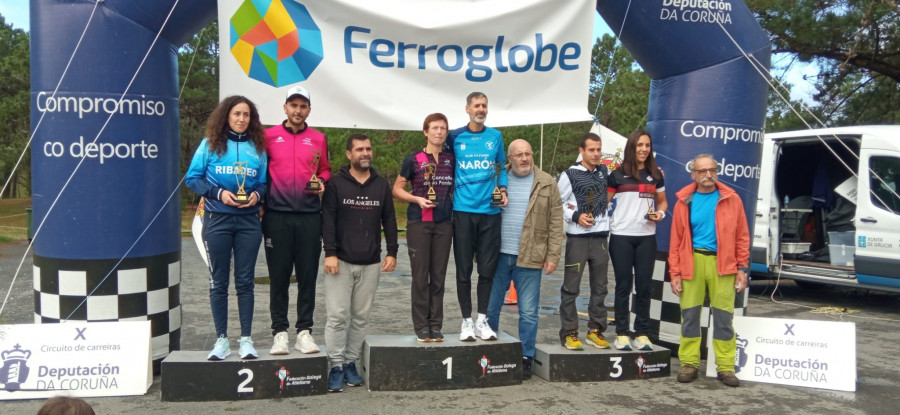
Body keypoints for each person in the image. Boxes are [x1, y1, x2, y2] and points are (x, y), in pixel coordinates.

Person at [185, 95, 267, 360]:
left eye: (246, 115)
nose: (242, 119)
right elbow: (192, 179)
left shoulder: (258, 148)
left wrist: (257, 195)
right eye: (236, 114)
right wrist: (218, 193)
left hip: (248, 222)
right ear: (226, 117)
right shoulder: (210, 145)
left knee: (245, 282)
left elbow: (263, 183)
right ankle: (221, 340)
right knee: (218, 281)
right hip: (217, 219)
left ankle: (246, 340)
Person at [322, 134, 399, 392]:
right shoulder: (335, 184)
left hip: (370, 263)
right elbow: (328, 220)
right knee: (337, 317)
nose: (365, 153)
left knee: (361, 318)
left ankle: (350, 362)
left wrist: (392, 252)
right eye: (359, 149)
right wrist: (329, 252)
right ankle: (334, 365)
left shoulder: (381, 185)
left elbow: (389, 219)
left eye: (368, 149)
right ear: (348, 154)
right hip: (340, 262)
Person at [669, 154, 749, 387]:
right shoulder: (685, 201)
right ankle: (689, 364)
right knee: (690, 317)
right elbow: (676, 241)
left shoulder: (732, 199)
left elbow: (742, 237)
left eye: (712, 170)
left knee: (724, 319)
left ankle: (725, 367)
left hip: (723, 265)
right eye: (702, 171)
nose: (708, 175)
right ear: (693, 174)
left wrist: (742, 268)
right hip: (691, 263)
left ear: (716, 171)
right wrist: (675, 273)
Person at [485, 139, 563, 380]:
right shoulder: (496, 178)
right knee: (490, 308)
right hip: (497, 254)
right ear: (509, 158)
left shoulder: (547, 182)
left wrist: (553, 255)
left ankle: (526, 357)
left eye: (528, 154)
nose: (524, 158)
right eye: (519, 155)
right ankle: (490, 352)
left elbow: (556, 221)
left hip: (531, 256)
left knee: (528, 312)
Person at [263, 86, 331, 355]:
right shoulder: (268, 136)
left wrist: (322, 182)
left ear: (309, 110)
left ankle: (304, 331)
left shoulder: (318, 138)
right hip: (276, 216)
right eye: (294, 105)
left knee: (307, 276)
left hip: (309, 216)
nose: (298, 111)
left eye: (303, 106)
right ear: (285, 107)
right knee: (278, 277)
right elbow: (259, 170)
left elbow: (324, 168)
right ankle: (279, 332)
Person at [449, 92, 508, 342]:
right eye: (477, 105)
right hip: (462, 211)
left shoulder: (495, 136)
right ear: (467, 109)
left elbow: (501, 167)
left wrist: (502, 190)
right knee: (464, 271)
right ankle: (466, 322)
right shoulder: (454, 137)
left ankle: (482, 320)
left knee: (487, 271)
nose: (481, 109)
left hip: (490, 213)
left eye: (484, 105)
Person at [393, 113, 454, 342]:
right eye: (435, 128)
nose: (439, 132)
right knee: (421, 276)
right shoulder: (414, 159)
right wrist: (417, 199)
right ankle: (421, 326)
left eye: (443, 128)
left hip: (444, 223)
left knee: (438, 276)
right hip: (419, 222)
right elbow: (397, 189)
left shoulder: (451, 158)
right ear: (425, 132)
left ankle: (435, 325)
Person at [606, 129, 667, 351]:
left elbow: (663, 203)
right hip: (621, 236)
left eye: (647, 145)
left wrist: (659, 214)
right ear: (631, 147)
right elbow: (603, 202)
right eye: (639, 145)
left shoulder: (656, 174)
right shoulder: (617, 174)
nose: (643, 149)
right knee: (623, 286)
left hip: (646, 238)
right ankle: (622, 333)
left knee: (644, 287)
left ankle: (641, 333)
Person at [557, 132, 612, 350]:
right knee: (571, 287)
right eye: (592, 150)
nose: (597, 154)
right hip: (577, 239)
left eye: (599, 149)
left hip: (600, 238)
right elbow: (557, 202)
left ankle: (595, 330)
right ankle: (569, 332)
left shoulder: (604, 171)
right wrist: (575, 215)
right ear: (581, 150)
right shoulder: (569, 174)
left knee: (600, 287)